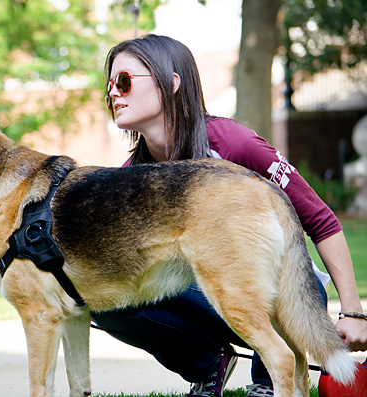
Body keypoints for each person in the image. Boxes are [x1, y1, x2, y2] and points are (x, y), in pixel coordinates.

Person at [94, 33, 367, 397]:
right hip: (202, 294)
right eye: (110, 84)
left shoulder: (233, 143)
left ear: (171, 83)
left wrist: (353, 311)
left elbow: (320, 220)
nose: (114, 93)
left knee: (279, 283)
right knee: (104, 297)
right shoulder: (131, 175)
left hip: (283, 288)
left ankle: (270, 381)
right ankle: (207, 365)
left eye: (124, 81)